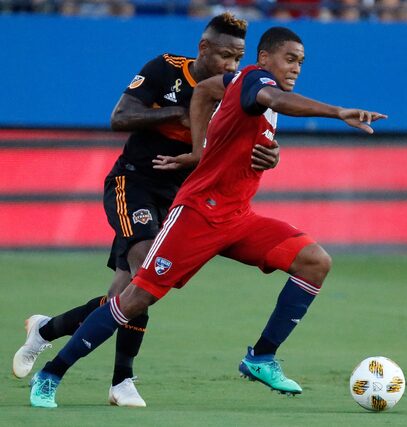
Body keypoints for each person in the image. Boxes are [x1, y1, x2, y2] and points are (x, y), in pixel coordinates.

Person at [27, 26, 387, 408]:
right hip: (197, 215)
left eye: (301, 61)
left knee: (315, 262)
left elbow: (204, 91)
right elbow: (274, 100)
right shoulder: (256, 80)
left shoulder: (234, 82)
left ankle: (261, 357)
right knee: (134, 300)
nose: (296, 66)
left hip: (237, 218)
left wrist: (206, 149)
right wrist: (337, 112)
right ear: (264, 58)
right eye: (290, 58)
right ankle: (50, 375)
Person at [13, 13, 280, 408]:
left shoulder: (236, 89)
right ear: (203, 48)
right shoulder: (165, 70)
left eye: (238, 57)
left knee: (126, 296)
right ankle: (121, 381)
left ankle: (47, 329)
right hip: (132, 184)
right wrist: (182, 113)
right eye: (224, 55)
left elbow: (247, 143)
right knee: (145, 275)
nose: (231, 66)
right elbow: (119, 118)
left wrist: (270, 156)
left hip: (179, 197)